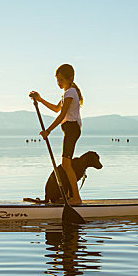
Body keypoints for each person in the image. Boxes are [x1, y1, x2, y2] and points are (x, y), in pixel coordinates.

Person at [30, 64, 84, 205]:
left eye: (61, 79)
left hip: (72, 129)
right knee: (66, 165)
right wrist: (40, 100)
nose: (58, 83)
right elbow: (56, 109)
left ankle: (76, 198)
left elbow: (62, 115)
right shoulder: (67, 93)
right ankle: (69, 195)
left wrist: (48, 130)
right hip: (70, 129)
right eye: (57, 80)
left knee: (66, 165)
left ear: (70, 78)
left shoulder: (70, 92)